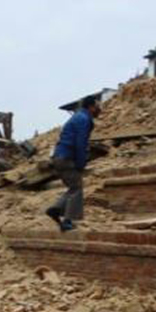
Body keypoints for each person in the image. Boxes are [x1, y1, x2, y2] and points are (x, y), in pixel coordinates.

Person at [46, 95, 102, 232]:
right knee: (77, 188)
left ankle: (56, 209)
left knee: (73, 187)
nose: (99, 109)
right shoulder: (84, 119)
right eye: (97, 106)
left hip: (59, 157)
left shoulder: (77, 117)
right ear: (90, 107)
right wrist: (81, 163)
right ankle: (67, 221)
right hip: (67, 157)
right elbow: (80, 143)